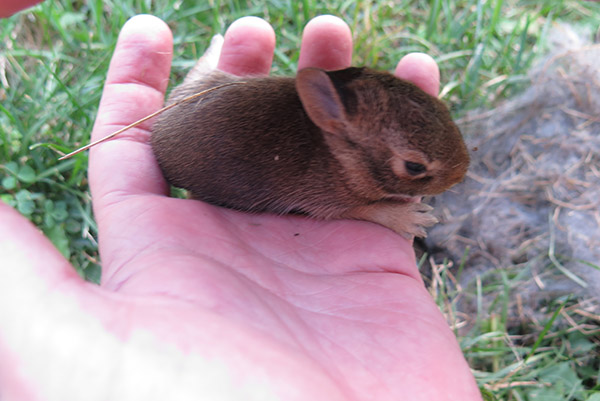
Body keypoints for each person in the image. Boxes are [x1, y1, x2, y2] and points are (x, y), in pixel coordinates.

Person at [0, 14, 483, 401]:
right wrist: (381, 211)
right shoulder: (332, 177)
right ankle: (204, 83)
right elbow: (321, 200)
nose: (444, 180)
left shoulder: (344, 136)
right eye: (415, 168)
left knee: (221, 92)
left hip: (198, 110)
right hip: (197, 147)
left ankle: (203, 81)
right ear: (331, 118)